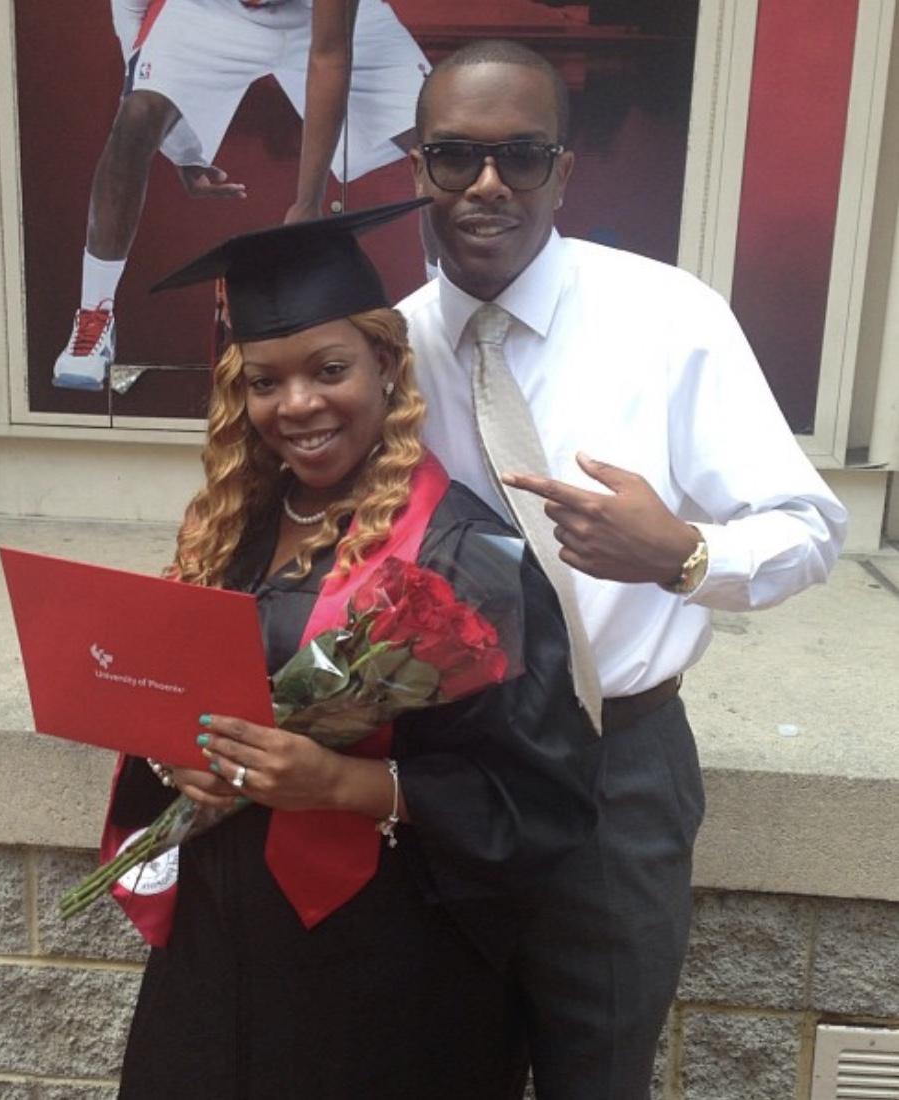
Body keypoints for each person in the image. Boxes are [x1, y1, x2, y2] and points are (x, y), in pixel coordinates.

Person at [397, 39, 849, 1099]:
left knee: (596, 1075)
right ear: (417, 168)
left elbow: (807, 526)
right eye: (455, 155)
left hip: (617, 767)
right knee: (434, 1065)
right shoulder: (387, 347)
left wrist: (682, 555)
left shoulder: (668, 319)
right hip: (444, 765)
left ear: (563, 171)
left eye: (521, 155)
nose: (487, 183)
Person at [102, 200, 600, 1098]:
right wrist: (178, 758)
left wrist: (344, 783)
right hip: (216, 954)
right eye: (265, 381)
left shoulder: (467, 557)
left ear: (386, 365)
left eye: (329, 370)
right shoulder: (232, 528)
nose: (297, 405)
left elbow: (543, 798)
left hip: (386, 969)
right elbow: (181, 701)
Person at [52, 0, 430, 391]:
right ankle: (94, 314)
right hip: (211, 12)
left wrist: (307, 202)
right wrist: (180, 145)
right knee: (135, 119)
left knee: (437, 135)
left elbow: (329, 56)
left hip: (334, 16)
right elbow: (132, 20)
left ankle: (443, 306)